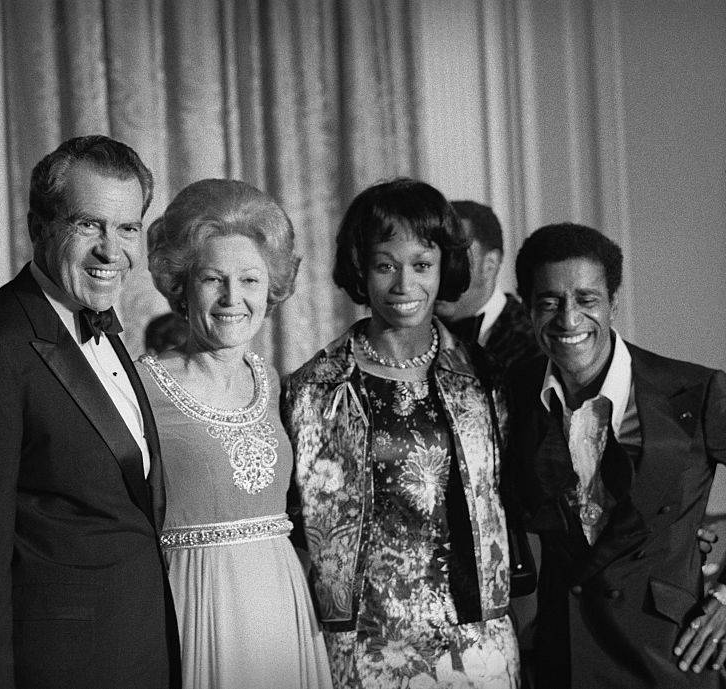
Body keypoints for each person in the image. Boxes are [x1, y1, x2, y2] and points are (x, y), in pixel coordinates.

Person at [0, 135, 178, 689]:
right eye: (89, 225)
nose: (112, 251)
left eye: (127, 228)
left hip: (135, 654)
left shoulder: (101, 322)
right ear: (40, 227)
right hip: (58, 668)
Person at [283, 178, 521, 687]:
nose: (403, 285)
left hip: (473, 638)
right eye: (385, 265)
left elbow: (512, 495)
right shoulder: (313, 389)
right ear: (361, 271)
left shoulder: (482, 378)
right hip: (361, 643)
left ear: (444, 269)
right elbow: (296, 524)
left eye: (422, 265)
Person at [508, 222, 726, 689]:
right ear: (527, 308)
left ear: (613, 302)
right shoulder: (512, 393)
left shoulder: (693, 390)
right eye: (550, 302)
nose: (569, 320)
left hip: (670, 657)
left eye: (587, 300)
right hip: (562, 659)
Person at [137, 179, 332, 689]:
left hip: (280, 603)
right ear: (180, 286)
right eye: (212, 280)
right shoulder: (141, 386)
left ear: (271, 289)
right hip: (194, 606)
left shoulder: (270, 381)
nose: (232, 298)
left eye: (249, 280)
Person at [435, 200, 541, 375]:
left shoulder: (535, 339)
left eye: (454, 258)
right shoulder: (414, 331)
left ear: (490, 264)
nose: (439, 271)